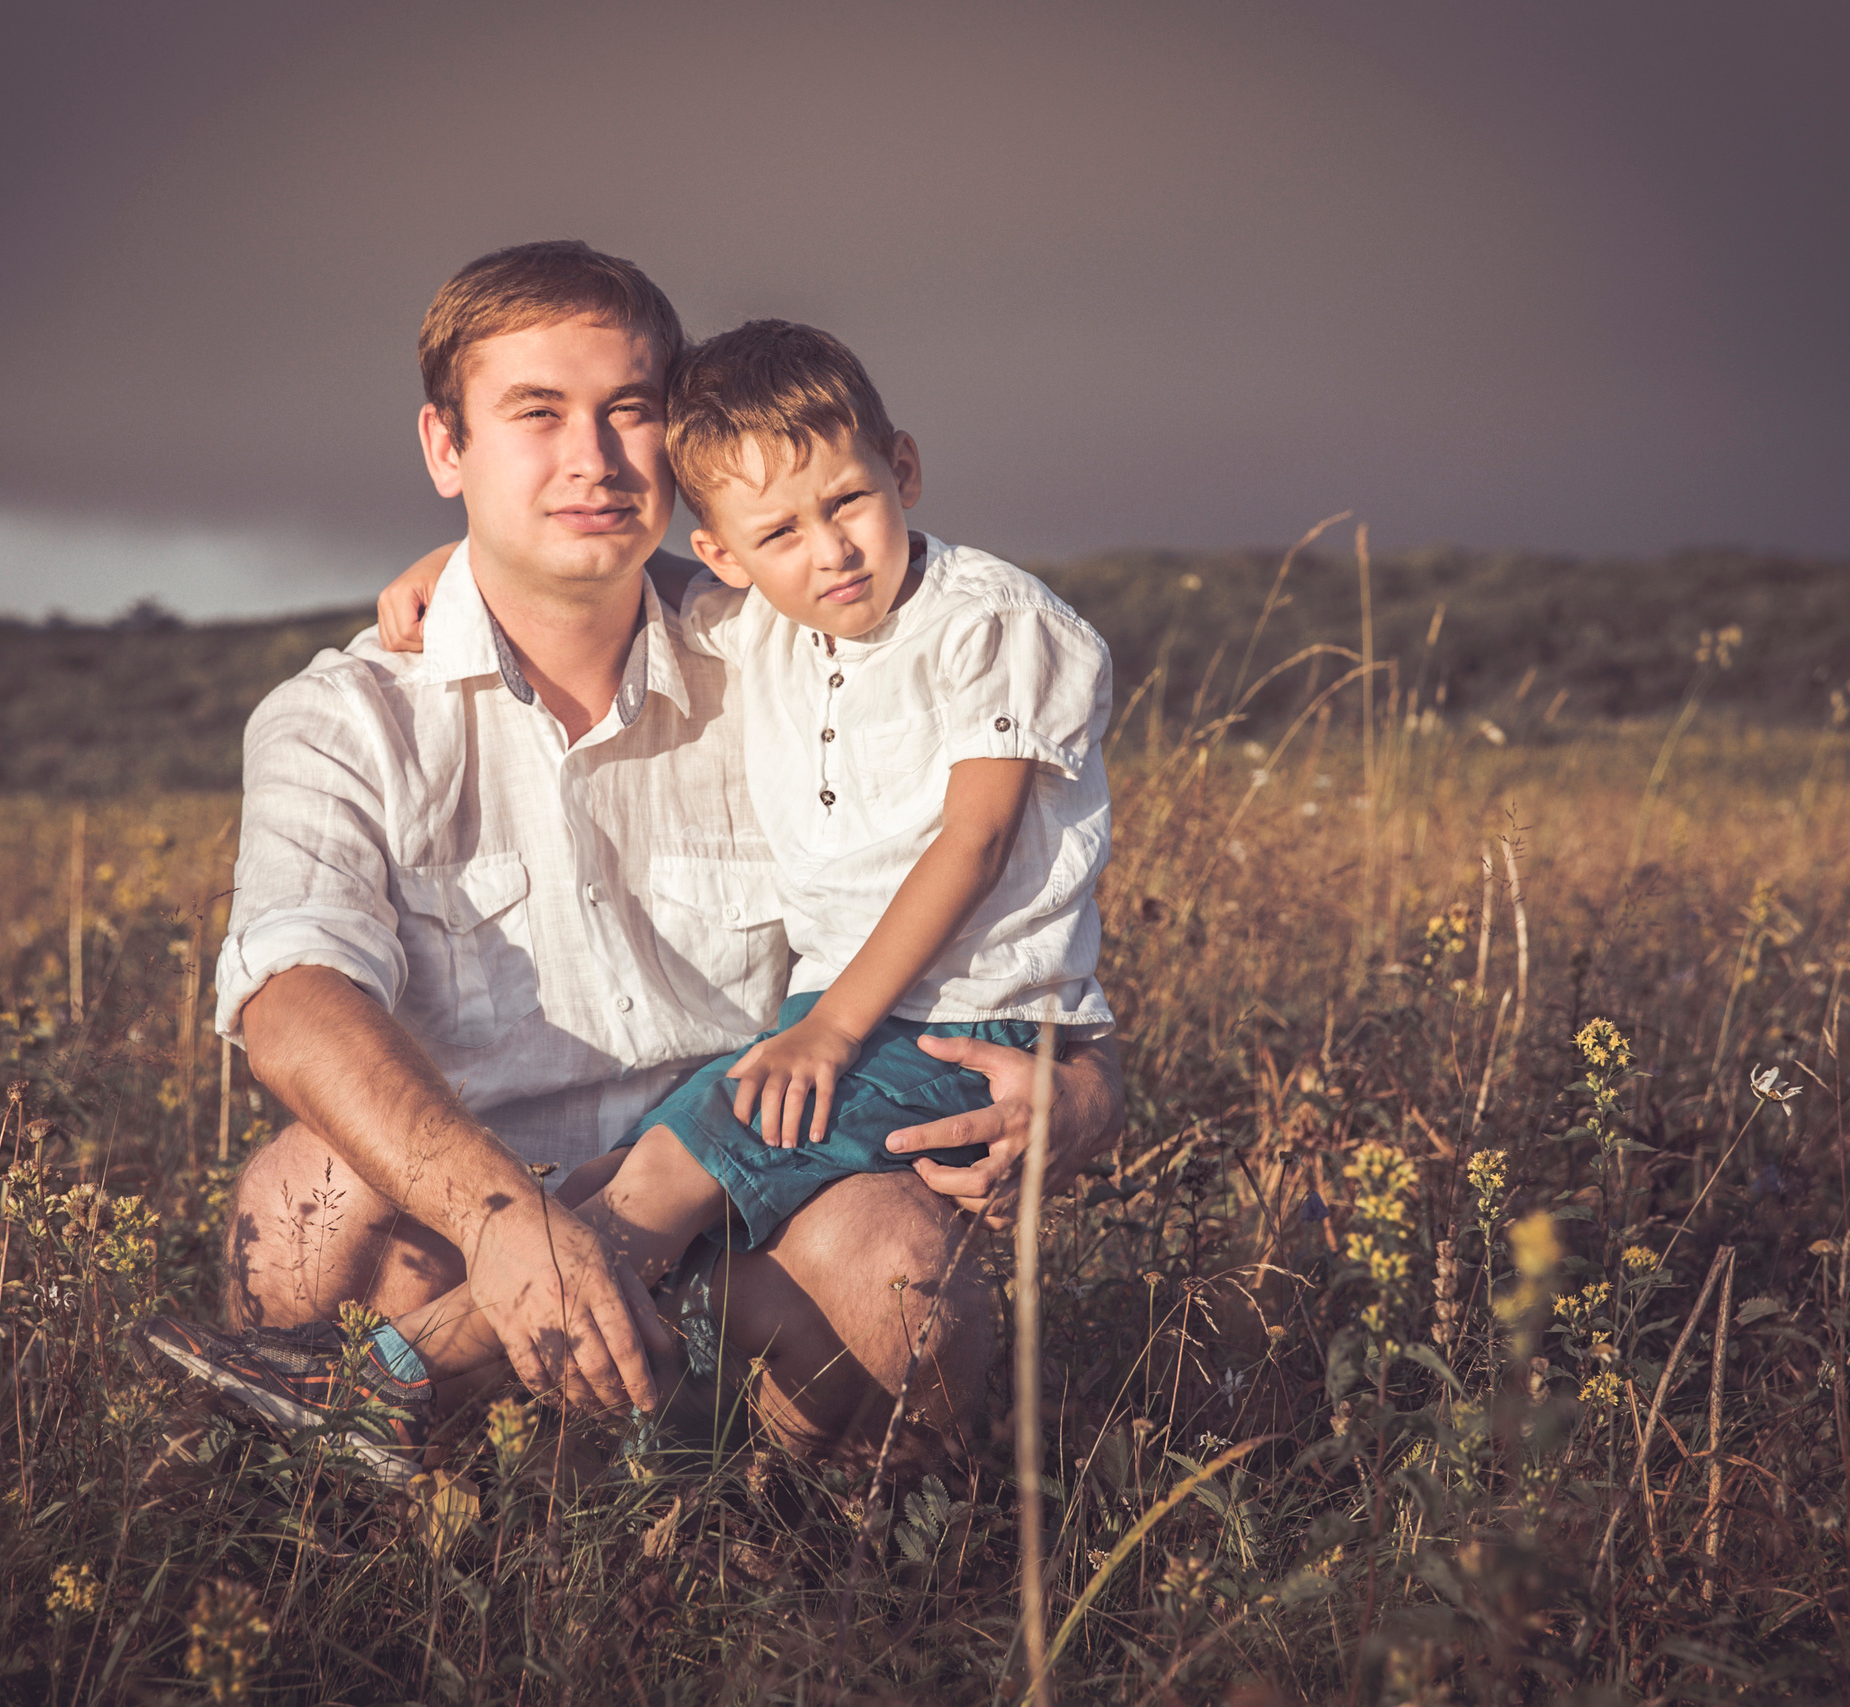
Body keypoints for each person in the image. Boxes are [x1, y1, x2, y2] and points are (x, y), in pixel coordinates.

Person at [136, 242, 1121, 1482]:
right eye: (534, 415)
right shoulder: (341, 717)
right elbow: (288, 1000)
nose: (593, 459)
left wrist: (1084, 1090)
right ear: (447, 450)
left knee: (905, 1276)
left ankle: (793, 1564)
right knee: (298, 1204)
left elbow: (1001, 878)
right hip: (467, 1219)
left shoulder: (785, 643)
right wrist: (506, 1221)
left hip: (754, 1212)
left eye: (630, 413)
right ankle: (350, 1515)